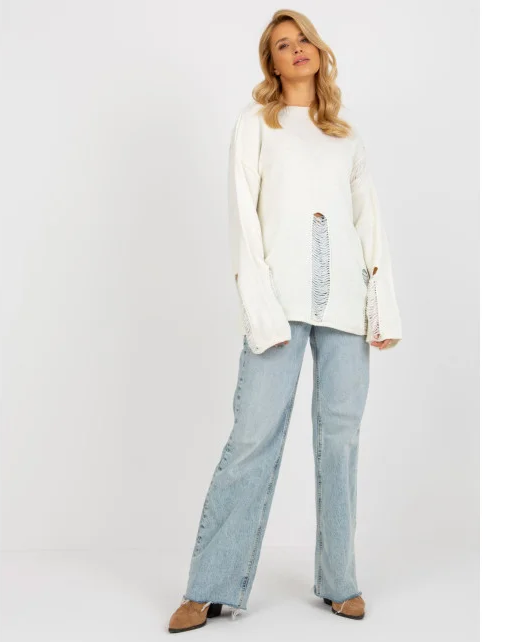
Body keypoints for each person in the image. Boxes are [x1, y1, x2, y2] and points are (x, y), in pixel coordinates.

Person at [168, 9, 402, 634]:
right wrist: (259, 307)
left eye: (303, 40)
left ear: (319, 51)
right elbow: (242, 220)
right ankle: (210, 587)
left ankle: (340, 582)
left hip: (347, 306)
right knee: (252, 438)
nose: (296, 49)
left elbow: (370, 226)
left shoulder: (346, 138)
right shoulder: (256, 126)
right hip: (278, 303)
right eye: (282, 45)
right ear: (270, 63)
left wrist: (382, 308)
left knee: (340, 440)